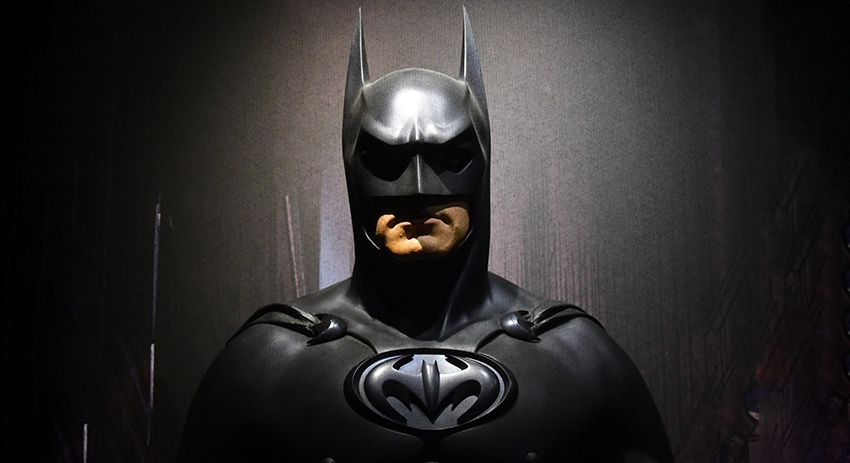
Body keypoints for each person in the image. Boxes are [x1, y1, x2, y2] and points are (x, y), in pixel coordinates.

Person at [178, 9, 674, 463]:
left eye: (449, 158)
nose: (417, 189)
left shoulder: (579, 357)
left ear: (480, 166)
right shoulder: (266, 362)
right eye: (386, 161)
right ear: (354, 172)